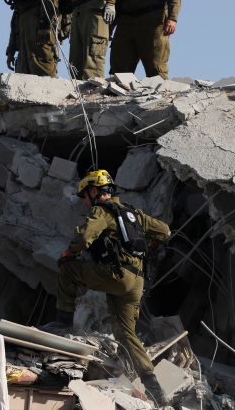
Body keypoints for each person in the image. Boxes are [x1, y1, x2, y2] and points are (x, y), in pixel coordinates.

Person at [54, 169, 171, 406]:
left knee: (67, 268)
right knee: (126, 334)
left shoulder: (102, 211)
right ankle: (156, 390)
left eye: (85, 197)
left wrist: (69, 252)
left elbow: (85, 235)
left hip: (116, 276)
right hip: (136, 283)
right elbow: (165, 231)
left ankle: (61, 325)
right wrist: (148, 247)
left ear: (95, 191)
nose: (86, 203)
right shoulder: (133, 214)